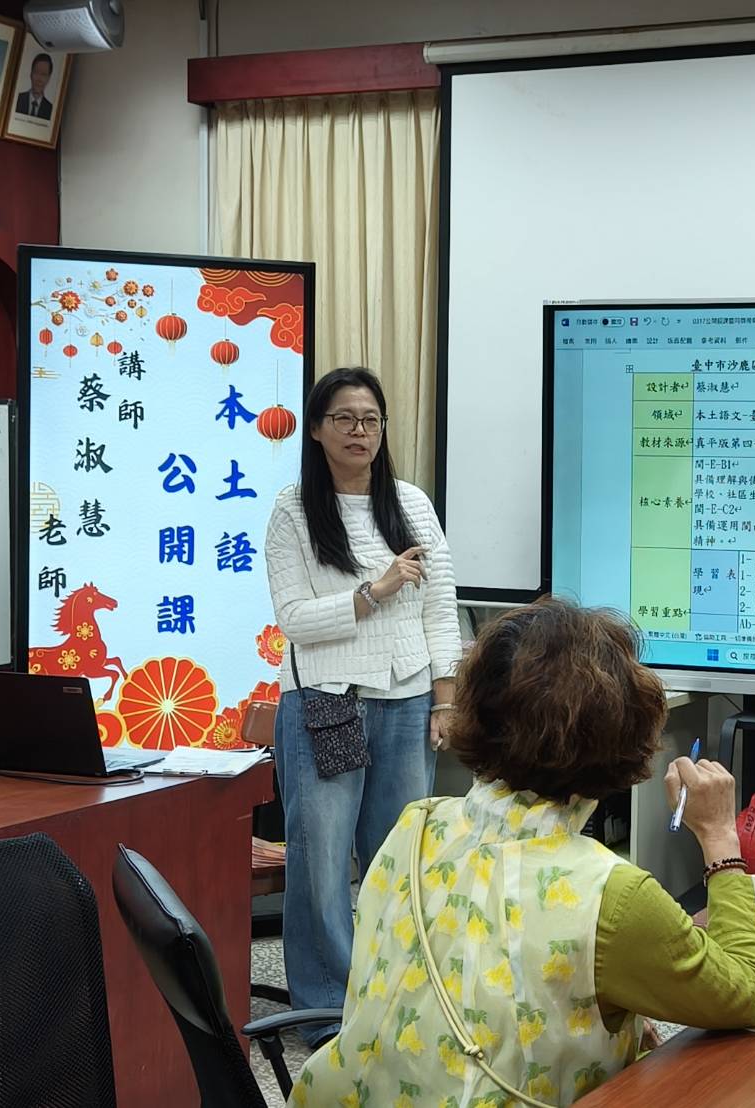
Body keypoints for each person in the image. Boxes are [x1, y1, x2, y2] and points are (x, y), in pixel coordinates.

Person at [293, 598, 755, 1106]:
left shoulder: (417, 824)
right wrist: (719, 835)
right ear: (624, 731)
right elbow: (746, 993)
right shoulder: (609, 893)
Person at [266, 366, 461, 1050]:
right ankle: (326, 1012)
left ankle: (395, 999)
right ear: (317, 430)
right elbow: (294, 619)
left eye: (371, 419)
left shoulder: (411, 504)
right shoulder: (294, 510)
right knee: (320, 863)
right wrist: (372, 593)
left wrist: (445, 699)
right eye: (344, 419)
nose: (360, 431)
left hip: (406, 702)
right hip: (327, 702)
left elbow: (441, 608)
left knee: (397, 860)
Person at [14, 52, 52, 119]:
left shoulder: (51, 110)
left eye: (43, 74)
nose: (39, 79)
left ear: (48, 78)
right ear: (31, 74)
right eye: (36, 72)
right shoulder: (16, 100)